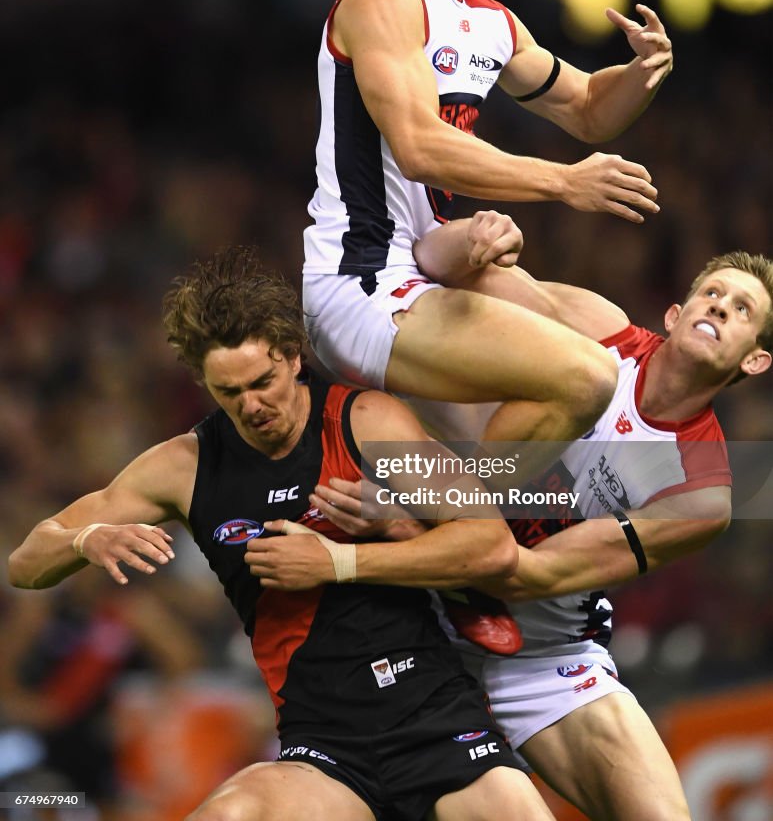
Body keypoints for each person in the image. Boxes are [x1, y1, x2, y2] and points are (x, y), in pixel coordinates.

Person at [8, 245, 556, 821]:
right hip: (323, 749)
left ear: (293, 356)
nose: (251, 405)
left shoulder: (363, 421)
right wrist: (82, 540)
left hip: (439, 722)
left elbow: (489, 544)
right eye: (229, 392)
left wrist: (338, 563)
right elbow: (25, 563)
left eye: (262, 381)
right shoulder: (185, 465)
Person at [307, 227, 772, 821]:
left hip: (541, 654)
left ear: (755, 359)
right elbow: (430, 264)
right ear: (675, 312)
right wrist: (474, 238)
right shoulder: (596, 332)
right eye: (711, 293)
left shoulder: (701, 493)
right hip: (415, 609)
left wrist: (409, 522)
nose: (719, 307)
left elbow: (529, 576)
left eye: (741, 310)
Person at [303, 0, 674, 481]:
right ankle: (475, 520)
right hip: (363, 280)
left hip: (430, 260)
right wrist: (561, 182)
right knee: (583, 377)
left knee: (605, 330)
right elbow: (418, 147)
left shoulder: (490, 21)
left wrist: (642, 70)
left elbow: (589, 107)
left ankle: (502, 525)